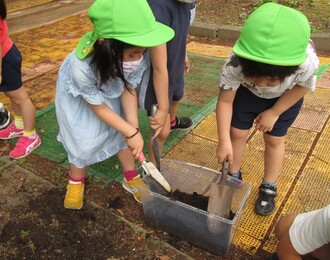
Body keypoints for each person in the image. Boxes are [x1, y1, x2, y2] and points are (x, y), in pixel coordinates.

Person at [55, 0, 174, 210]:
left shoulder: (132, 57)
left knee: (120, 131)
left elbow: (128, 87)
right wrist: (130, 131)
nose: (138, 59)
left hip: (112, 86)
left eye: (142, 53)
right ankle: (76, 179)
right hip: (83, 101)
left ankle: (130, 177)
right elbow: (99, 108)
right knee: (81, 135)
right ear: (105, 44)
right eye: (132, 54)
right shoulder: (80, 67)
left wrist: (133, 128)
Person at [216, 3, 319, 216]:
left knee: (274, 139)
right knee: (237, 133)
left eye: (270, 79)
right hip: (246, 94)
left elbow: (302, 87)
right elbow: (225, 102)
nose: (262, 83)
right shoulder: (235, 64)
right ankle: (233, 175)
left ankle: (269, 185)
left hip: (285, 97)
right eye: (254, 76)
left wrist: (275, 112)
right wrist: (223, 140)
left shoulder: (306, 63)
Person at [140, 0, 195, 165]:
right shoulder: (159, 7)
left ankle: (171, 121)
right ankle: (154, 169)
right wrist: (163, 109)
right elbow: (158, 67)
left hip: (174, 67)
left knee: (177, 96)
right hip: (159, 74)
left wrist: (183, 53)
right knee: (161, 132)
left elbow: (181, 32)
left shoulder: (186, 4)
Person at [0, 0, 41, 159]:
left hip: (5, 59)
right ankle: (19, 125)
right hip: (6, 57)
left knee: (21, 98)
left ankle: (31, 135)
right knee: (12, 95)